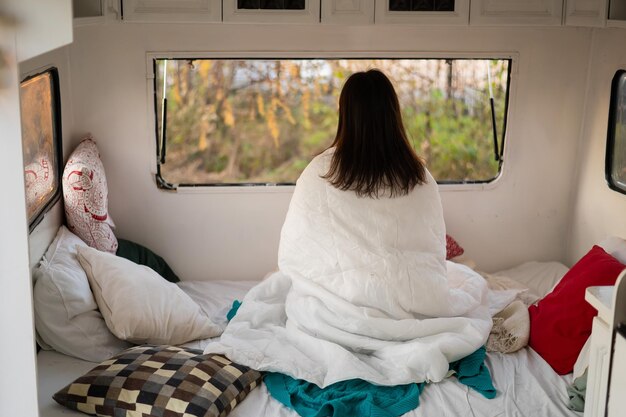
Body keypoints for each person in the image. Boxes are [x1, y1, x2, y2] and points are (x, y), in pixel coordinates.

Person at [205, 69, 492, 388]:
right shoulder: (419, 175)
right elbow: (432, 251)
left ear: (345, 115)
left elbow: (295, 255)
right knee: (469, 282)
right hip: (411, 301)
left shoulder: (320, 172)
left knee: (281, 287)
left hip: (334, 314)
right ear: (393, 115)